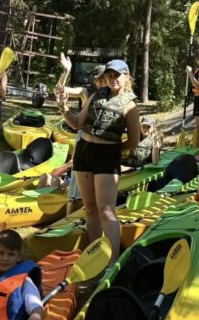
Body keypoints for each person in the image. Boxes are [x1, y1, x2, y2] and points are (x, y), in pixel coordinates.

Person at [56, 59, 139, 263]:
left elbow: (134, 141)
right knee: (90, 208)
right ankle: (97, 258)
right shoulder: (95, 95)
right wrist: (63, 107)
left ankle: (112, 263)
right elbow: (77, 124)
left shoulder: (130, 105)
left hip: (107, 156)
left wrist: (115, 151)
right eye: (109, 75)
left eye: (117, 75)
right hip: (84, 151)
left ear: (126, 76)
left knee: (106, 210)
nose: (112, 79)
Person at [56, 59, 105, 213]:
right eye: (99, 79)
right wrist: (66, 72)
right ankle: (73, 210)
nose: (102, 82)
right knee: (78, 181)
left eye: (104, 78)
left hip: (102, 140)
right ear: (95, 80)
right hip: (84, 137)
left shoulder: (114, 95)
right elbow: (60, 89)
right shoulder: (86, 93)